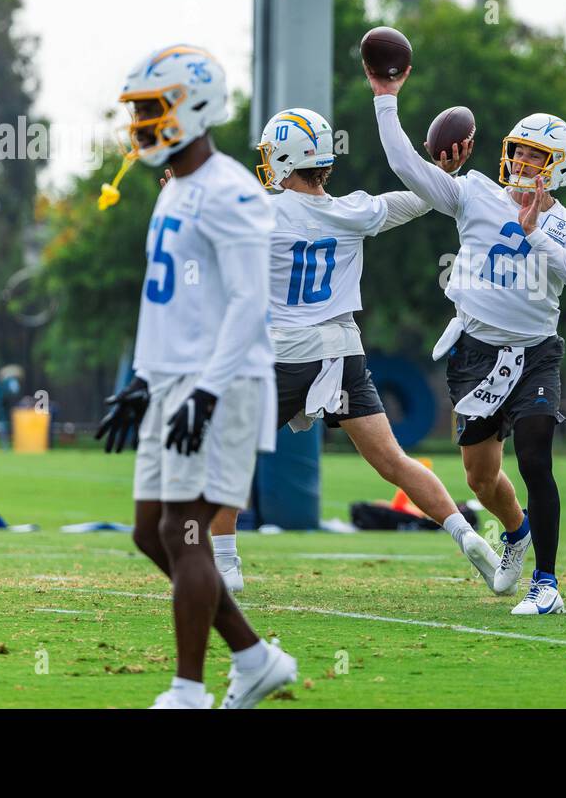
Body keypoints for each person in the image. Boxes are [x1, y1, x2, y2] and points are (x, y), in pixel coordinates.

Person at [95, 44, 295, 709]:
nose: (144, 123)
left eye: (155, 109)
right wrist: (142, 379)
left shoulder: (232, 188)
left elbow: (248, 302)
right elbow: (176, 305)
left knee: (184, 528)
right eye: (141, 111)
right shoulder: (175, 186)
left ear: (195, 106)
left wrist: (206, 391)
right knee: (150, 530)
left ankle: (189, 690)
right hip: (173, 380)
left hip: (222, 383)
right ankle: (254, 656)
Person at [367, 63, 566, 615]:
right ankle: (515, 533)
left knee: (536, 456)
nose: (521, 162)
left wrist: (535, 232)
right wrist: (386, 99)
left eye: (534, 156)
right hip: (476, 351)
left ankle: (547, 582)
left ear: (558, 168)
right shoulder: (474, 193)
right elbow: (405, 164)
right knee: (481, 476)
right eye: (517, 151)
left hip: (536, 352)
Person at [247, 106, 499, 589]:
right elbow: (417, 201)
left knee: (227, 453)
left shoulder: (263, 211)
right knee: (393, 461)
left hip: (286, 354)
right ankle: (465, 533)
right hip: (342, 353)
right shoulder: (353, 211)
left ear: (283, 158)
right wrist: (443, 174)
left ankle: (224, 563)